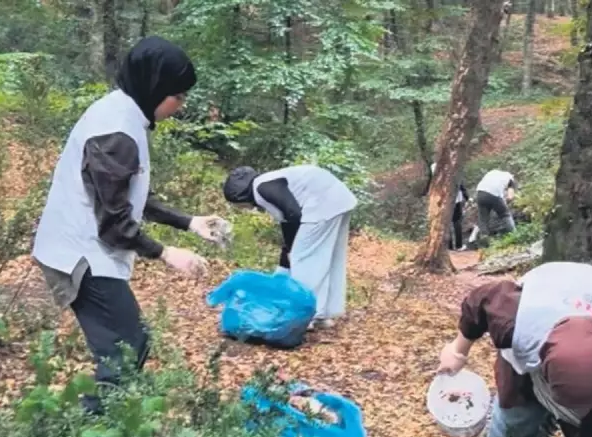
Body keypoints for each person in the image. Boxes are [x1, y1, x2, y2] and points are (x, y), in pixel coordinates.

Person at [32, 36, 227, 414]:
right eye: (178, 96)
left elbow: (127, 196)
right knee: (125, 347)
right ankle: (89, 428)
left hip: (84, 249)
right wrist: (167, 253)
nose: (181, 105)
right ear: (155, 87)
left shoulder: (124, 115)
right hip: (79, 255)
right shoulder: (116, 132)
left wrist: (189, 222)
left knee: (129, 345)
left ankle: (100, 423)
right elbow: (114, 224)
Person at [437, 262, 592, 437]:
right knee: (512, 427)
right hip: (554, 289)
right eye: (570, 405)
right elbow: (480, 301)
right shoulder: (518, 320)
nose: (576, 411)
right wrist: (457, 350)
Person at [222, 164, 357, 330]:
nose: (241, 208)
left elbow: (293, 213)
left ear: (240, 195)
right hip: (337, 199)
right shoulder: (266, 183)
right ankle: (322, 314)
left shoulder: (261, 188)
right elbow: (287, 221)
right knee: (325, 257)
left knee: (305, 261)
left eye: (238, 204)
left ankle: (302, 316)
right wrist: (286, 258)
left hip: (321, 204)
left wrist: (292, 251)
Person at [430, 163, 470, 251]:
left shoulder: (435, 173)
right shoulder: (451, 171)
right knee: (457, 222)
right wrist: (467, 197)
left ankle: (449, 247)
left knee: (446, 223)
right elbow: (460, 184)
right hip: (455, 200)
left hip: (443, 201)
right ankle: (459, 246)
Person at [474, 169, 517, 245]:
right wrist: (504, 204)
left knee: (483, 219)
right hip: (494, 194)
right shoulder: (510, 178)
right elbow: (510, 197)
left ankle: (484, 241)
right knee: (505, 214)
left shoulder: (493, 172)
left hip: (480, 193)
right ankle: (515, 235)